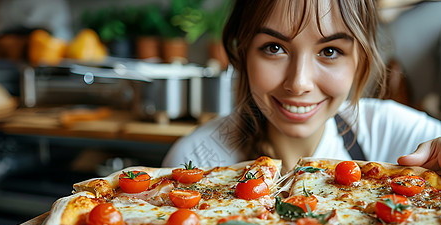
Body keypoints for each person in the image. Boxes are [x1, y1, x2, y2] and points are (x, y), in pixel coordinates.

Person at [162, 0, 441, 174]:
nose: (299, 83)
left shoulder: (392, 133)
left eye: (329, 52)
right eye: (274, 48)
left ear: (361, 58)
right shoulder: (195, 161)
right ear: (243, 51)